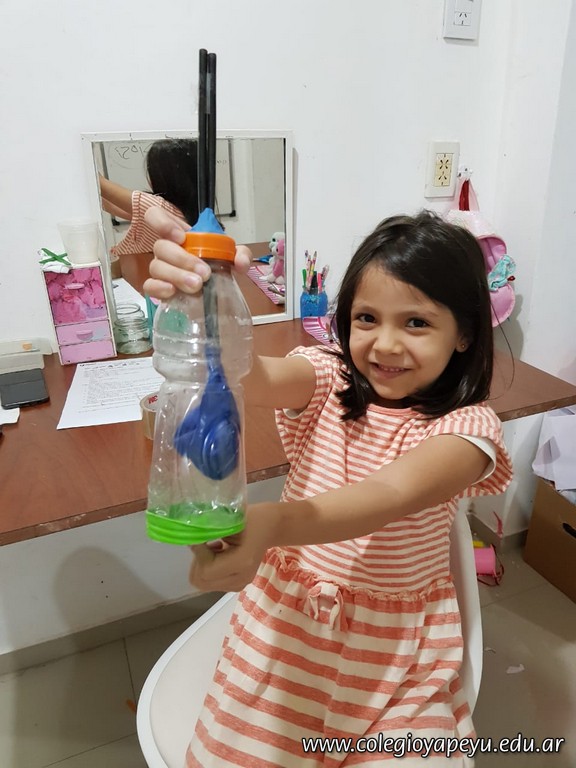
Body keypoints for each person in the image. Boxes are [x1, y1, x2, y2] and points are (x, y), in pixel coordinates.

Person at [144, 207, 513, 767]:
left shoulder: (468, 430)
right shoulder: (329, 376)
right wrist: (205, 299)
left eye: (416, 323)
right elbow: (247, 374)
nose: (385, 345)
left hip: (395, 660)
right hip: (285, 637)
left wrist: (271, 524)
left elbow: (387, 496)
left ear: (464, 333)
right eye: (367, 318)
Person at [98, 138, 199, 258]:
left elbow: (101, 184)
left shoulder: (156, 206)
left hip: (138, 268)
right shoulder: (176, 211)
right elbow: (112, 206)